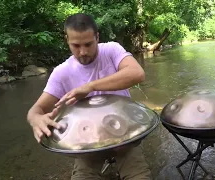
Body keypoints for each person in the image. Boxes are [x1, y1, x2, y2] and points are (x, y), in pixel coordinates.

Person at [26, 13, 152, 180]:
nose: (83, 52)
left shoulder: (111, 50)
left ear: (97, 37)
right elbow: (37, 109)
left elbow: (137, 74)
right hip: (88, 142)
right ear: (67, 40)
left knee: (139, 176)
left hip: (124, 137)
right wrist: (35, 119)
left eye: (88, 44)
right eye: (76, 45)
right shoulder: (62, 72)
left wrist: (89, 86)